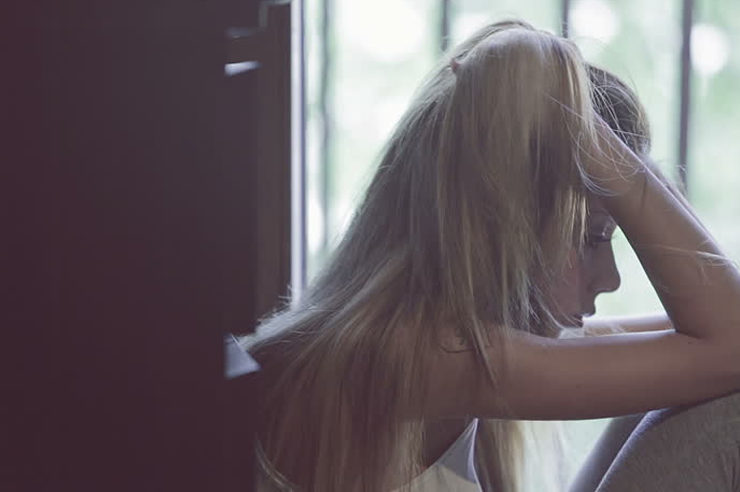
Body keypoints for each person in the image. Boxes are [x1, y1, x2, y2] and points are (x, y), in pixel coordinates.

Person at [246, 20, 740, 491]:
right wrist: (582, 135)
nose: (610, 278)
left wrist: (597, 137)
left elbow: (713, 336)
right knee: (728, 413)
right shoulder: (420, 353)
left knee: (701, 387)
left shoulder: (440, 341)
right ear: (505, 228)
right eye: (591, 237)